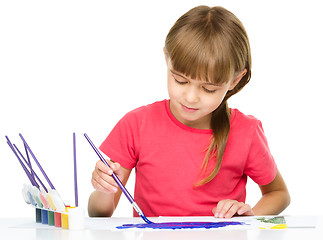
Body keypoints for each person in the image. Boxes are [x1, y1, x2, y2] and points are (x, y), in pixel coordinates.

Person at [88, 5, 290, 219]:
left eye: (208, 88)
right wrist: (104, 188)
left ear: (235, 80)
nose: (191, 97)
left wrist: (248, 215)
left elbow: (279, 194)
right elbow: (99, 213)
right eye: (180, 80)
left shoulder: (246, 132)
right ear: (167, 59)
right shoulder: (137, 124)